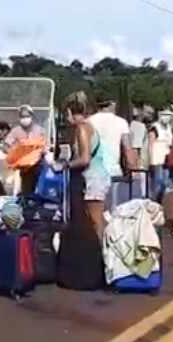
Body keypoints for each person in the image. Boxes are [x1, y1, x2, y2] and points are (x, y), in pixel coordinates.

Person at [58, 91, 108, 239]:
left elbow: (84, 158)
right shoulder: (86, 127)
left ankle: (100, 256)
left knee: (95, 221)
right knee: (94, 219)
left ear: (69, 111)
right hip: (96, 176)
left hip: (93, 177)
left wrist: (65, 165)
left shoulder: (82, 128)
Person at [88, 96, 137, 182]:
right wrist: (133, 168)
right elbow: (127, 149)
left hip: (93, 171)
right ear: (112, 105)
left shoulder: (89, 121)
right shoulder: (121, 122)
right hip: (113, 171)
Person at [3, 105, 48, 194]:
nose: (25, 119)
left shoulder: (40, 130)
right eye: (22, 116)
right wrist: (15, 154)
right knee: (27, 190)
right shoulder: (16, 131)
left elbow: (46, 146)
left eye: (27, 116)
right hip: (24, 168)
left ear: (32, 116)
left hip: (39, 165)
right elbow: (5, 146)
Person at [147, 106, 173, 204]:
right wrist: (150, 160)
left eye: (169, 115)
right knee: (157, 182)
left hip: (166, 157)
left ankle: (160, 201)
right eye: (165, 115)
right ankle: (154, 202)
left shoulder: (169, 128)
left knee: (164, 182)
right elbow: (150, 144)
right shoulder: (155, 127)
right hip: (157, 158)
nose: (167, 117)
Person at [128, 104, 149, 168]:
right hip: (139, 161)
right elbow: (136, 147)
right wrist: (136, 166)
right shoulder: (139, 126)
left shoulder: (132, 124)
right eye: (147, 113)